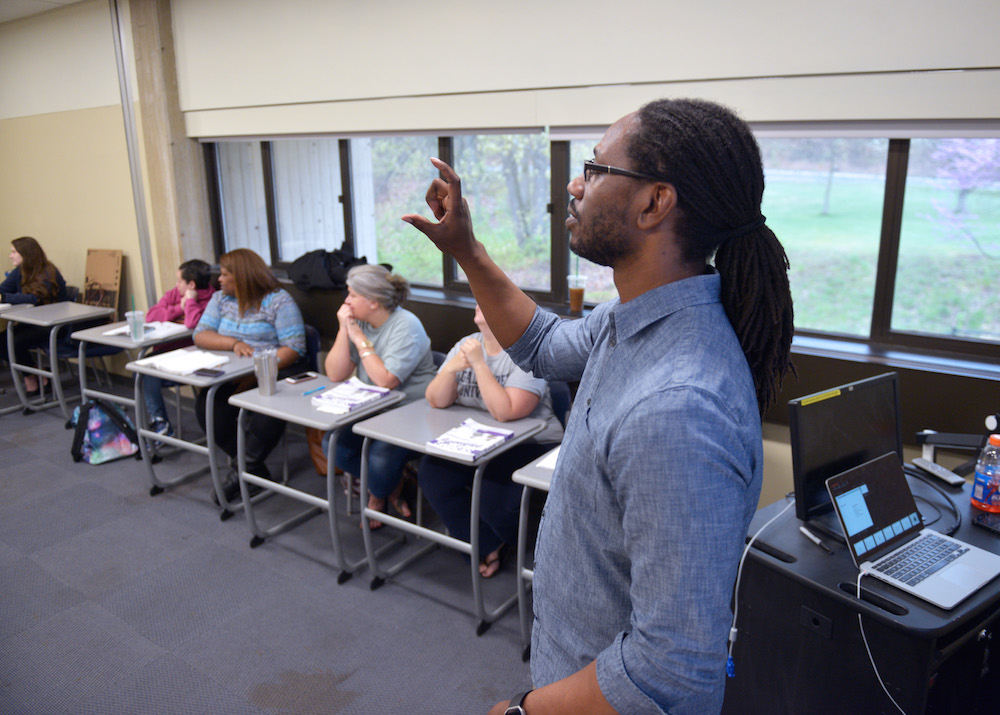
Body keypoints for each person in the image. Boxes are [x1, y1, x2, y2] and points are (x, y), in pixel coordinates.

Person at [403, 98, 795, 714]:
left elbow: (668, 674)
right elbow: (541, 342)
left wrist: (520, 712)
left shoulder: (677, 409)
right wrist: (466, 250)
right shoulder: (630, 321)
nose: (574, 183)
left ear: (653, 202)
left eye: (595, 167)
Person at [419, 304, 563, 578]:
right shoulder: (467, 343)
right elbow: (437, 400)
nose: (480, 303)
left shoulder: (526, 351)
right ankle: (486, 544)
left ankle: (507, 543)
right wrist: (450, 370)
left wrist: (478, 364)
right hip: (481, 438)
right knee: (433, 474)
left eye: (489, 300)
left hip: (532, 443)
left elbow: (506, 411)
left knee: (491, 495)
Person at [324, 263, 436, 527]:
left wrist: (359, 338)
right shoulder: (359, 322)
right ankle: (393, 485)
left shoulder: (406, 325)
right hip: (371, 407)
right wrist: (344, 329)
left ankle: (377, 497)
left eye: (352, 295)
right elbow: (335, 374)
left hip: (411, 410)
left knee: (380, 458)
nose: (346, 301)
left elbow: (386, 381)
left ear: (373, 301)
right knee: (333, 443)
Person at [193, 249, 305, 502]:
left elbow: (294, 348)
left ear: (242, 276)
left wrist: (259, 371)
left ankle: (243, 469)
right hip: (233, 371)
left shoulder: (278, 300)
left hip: (271, 371)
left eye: (224, 275)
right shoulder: (221, 299)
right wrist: (233, 344)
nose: (218, 280)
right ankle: (253, 471)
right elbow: (200, 334)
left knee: (268, 410)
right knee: (207, 407)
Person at [141, 259, 216, 441]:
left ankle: (161, 424)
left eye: (179, 281)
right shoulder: (176, 294)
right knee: (141, 369)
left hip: (191, 354)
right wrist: (177, 308)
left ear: (191, 284)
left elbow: (192, 323)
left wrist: (189, 302)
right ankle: (160, 421)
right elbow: (151, 316)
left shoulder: (212, 300)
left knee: (146, 374)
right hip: (167, 351)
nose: (176, 285)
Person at [1, 236, 68, 394]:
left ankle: (31, 378)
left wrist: (5, 298)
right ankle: (35, 372)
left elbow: (35, 298)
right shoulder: (20, 271)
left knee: (14, 341)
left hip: (53, 325)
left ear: (26, 253)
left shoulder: (47, 271)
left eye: (14, 252)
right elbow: (3, 289)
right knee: (2, 340)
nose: (10, 256)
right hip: (33, 322)